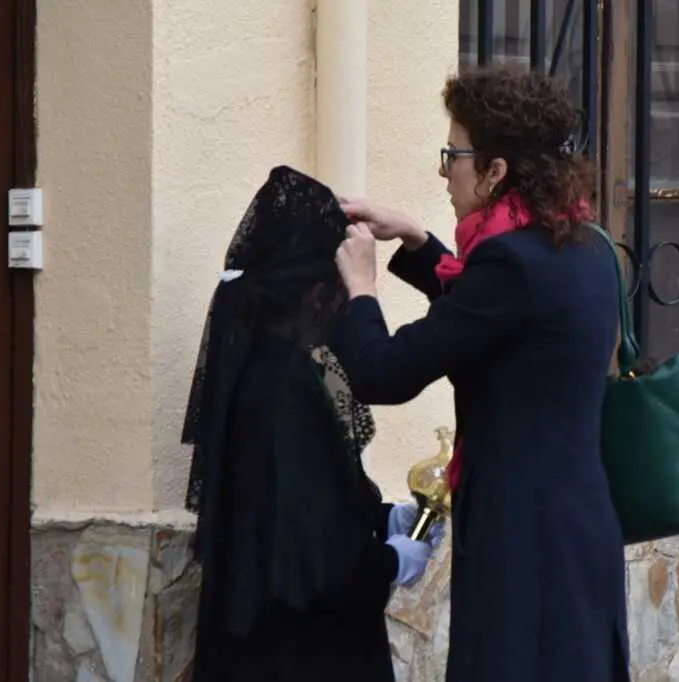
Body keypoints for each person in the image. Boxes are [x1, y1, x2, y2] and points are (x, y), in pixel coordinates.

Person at [331, 67, 631, 681]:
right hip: (575, 529)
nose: (446, 171)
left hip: (524, 542)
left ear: (495, 172)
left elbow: (382, 374)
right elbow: (486, 314)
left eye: (455, 155)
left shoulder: (509, 264)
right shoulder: (582, 243)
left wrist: (360, 290)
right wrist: (416, 239)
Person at [180, 166, 442, 682]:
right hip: (300, 653)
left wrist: (379, 516)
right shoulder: (283, 388)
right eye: (343, 289)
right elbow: (313, 561)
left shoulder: (261, 370)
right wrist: (390, 562)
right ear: (318, 294)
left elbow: (298, 504)